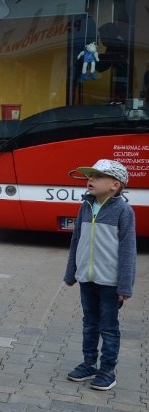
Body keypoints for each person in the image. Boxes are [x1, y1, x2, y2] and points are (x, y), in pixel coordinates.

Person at [64, 159, 136, 392]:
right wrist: (71, 272)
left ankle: (107, 370)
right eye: (90, 176)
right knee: (89, 324)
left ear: (115, 185)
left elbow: (128, 250)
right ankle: (88, 364)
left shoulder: (123, 211)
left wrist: (125, 286)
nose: (90, 180)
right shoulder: (85, 206)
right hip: (87, 278)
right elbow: (76, 241)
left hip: (110, 283)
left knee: (108, 327)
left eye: (97, 177)